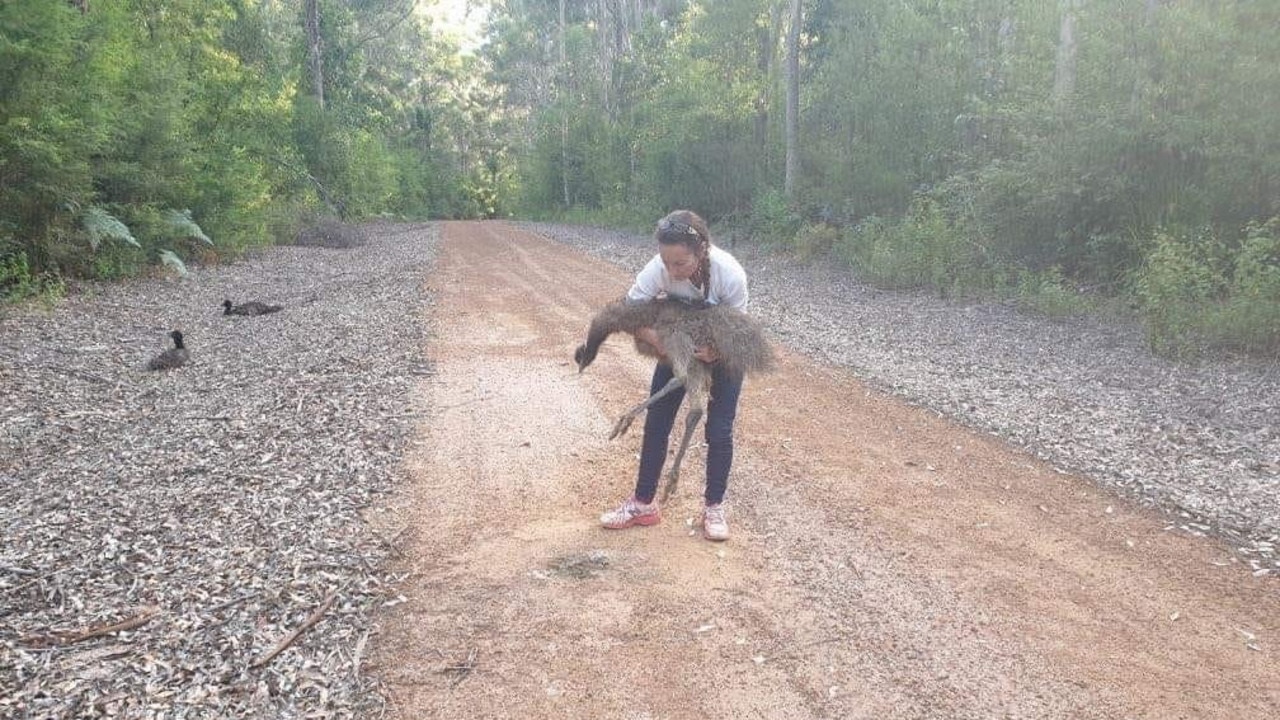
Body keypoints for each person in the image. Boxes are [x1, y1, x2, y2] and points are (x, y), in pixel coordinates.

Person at [599, 209, 750, 541]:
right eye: (666, 262)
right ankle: (643, 504)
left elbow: (739, 332)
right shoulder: (657, 270)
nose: (672, 271)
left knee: (720, 429)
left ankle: (713, 507)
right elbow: (627, 314)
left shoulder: (730, 275)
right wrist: (659, 340)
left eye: (680, 264)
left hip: (724, 352)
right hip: (677, 347)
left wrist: (716, 351)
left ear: (702, 251)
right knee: (657, 421)